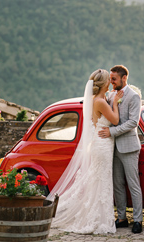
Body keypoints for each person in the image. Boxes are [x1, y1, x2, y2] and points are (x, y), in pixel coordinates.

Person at [47, 69, 119, 234]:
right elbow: (115, 120)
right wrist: (115, 103)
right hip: (102, 144)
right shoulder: (100, 102)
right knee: (101, 181)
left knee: (99, 181)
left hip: (102, 142)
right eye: (109, 79)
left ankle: (98, 215)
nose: (111, 81)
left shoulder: (98, 99)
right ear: (104, 84)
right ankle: (96, 218)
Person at [97, 65, 143, 234]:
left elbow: (133, 123)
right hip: (112, 148)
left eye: (114, 79)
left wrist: (111, 132)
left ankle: (138, 220)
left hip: (129, 147)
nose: (111, 81)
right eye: (110, 78)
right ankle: (122, 218)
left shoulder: (134, 96)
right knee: (117, 184)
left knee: (133, 184)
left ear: (124, 78)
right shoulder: (110, 95)